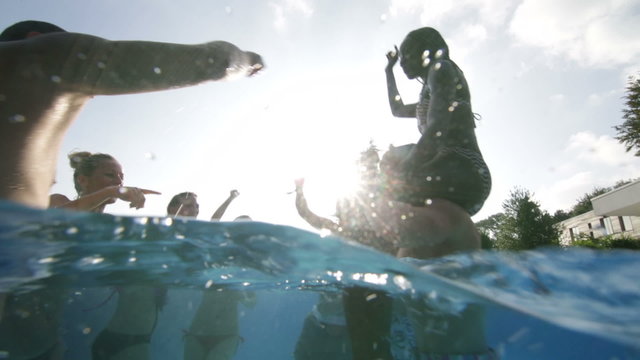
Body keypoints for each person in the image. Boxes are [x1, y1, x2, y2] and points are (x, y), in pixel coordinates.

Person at [0, 20, 263, 210]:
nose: (88, 97)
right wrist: (245, 61)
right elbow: (209, 62)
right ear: (35, 37)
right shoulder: (47, 56)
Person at [344, 27, 493, 360]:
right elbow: (397, 109)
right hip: (450, 177)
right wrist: (386, 72)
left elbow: (438, 128)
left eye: (405, 57)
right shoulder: (428, 85)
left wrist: (404, 172)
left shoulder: (442, 68)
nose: (402, 65)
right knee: (420, 250)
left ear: (425, 50)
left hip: (463, 168)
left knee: (393, 158)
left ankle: (379, 242)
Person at [91, 189, 243, 360]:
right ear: (171, 208)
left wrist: (229, 198)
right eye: (189, 205)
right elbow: (169, 225)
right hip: (129, 340)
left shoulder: (187, 242)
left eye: (197, 206)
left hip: (123, 338)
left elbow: (214, 222)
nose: (195, 209)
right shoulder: (158, 236)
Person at [49, 151, 160, 212]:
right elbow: (55, 219)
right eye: (110, 175)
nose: (119, 182)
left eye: (122, 177)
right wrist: (110, 192)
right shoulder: (57, 201)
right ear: (83, 180)